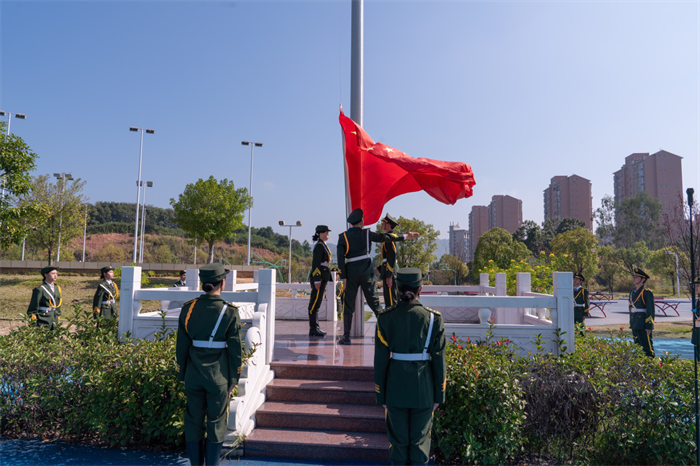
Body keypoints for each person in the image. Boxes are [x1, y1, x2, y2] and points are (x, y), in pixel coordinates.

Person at [374, 268, 446, 466]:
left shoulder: (385, 318)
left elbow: (380, 362)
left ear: (397, 289)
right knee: (420, 446)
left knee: (398, 446)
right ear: (420, 289)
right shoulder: (434, 319)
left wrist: (381, 395)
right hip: (423, 390)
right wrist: (439, 395)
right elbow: (439, 361)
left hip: (395, 389)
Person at [176, 263, 242, 466]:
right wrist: (233, 379)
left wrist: (182, 374)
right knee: (217, 421)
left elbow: (182, 346)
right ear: (222, 282)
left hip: (193, 374)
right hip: (218, 376)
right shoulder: (229, 311)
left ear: (203, 282)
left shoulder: (188, 308)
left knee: (193, 419)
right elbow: (235, 351)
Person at [337, 208, 419, 345]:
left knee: (348, 305)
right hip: (366, 272)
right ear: (361, 222)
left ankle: (346, 337)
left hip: (351, 273)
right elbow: (385, 237)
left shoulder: (343, 237)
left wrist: (343, 278)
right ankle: (385, 334)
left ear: (351, 223)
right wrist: (405, 236)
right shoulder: (367, 234)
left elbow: (340, 259)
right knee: (375, 303)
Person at [308, 225, 331, 337]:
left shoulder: (323, 245)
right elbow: (316, 264)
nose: (328, 234)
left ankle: (316, 327)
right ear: (321, 234)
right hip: (320, 277)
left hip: (323, 276)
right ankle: (313, 328)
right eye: (326, 232)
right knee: (314, 303)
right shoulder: (319, 246)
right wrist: (317, 279)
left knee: (317, 303)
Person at [629, 268, 655, 357]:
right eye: (634, 276)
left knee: (647, 348)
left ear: (643, 279)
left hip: (643, 323)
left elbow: (650, 310)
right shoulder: (632, 292)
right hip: (635, 322)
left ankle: (651, 364)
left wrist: (649, 326)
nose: (634, 278)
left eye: (637, 277)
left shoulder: (647, 292)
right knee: (638, 348)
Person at [380, 214, 401, 308]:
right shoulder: (389, 237)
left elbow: (392, 257)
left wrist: (389, 275)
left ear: (388, 225)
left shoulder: (390, 238)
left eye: (383, 223)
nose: (382, 225)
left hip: (390, 272)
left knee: (391, 300)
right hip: (389, 270)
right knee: (389, 299)